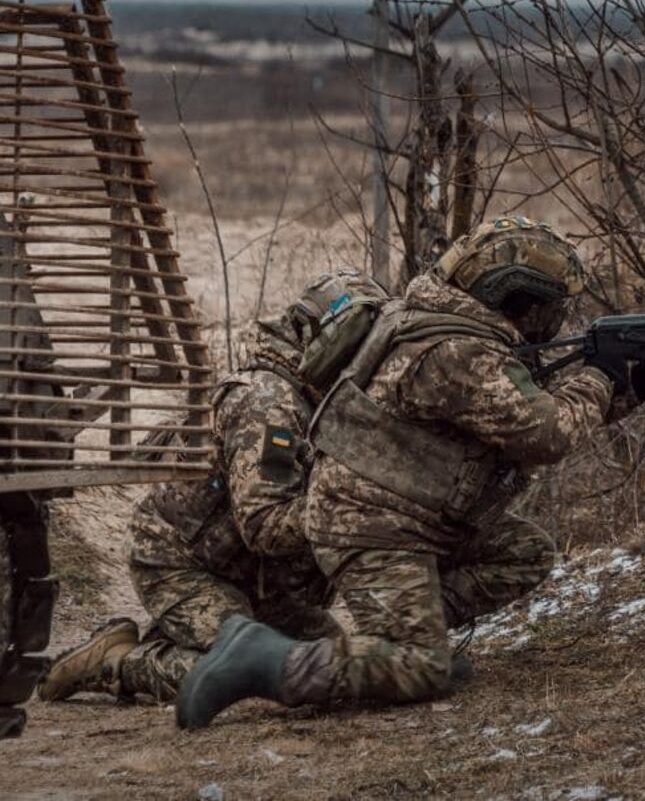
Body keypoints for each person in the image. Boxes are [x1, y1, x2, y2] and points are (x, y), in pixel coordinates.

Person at [176, 215, 645, 728]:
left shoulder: (461, 336)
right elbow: (545, 435)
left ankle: (397, 637)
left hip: (410, 518)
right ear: (520, 301)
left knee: (523, 553)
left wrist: (626, 391)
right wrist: (599, 377)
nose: (556, 317)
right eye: (553, 305)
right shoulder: (455, 352)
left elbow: (513, 431)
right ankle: (265, 660)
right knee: (421, 669)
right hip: (372, 525)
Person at [38, 271, 388, 704]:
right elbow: (265, 524)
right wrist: (353, 512)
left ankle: (170, 635)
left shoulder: (315, 400)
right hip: (180, 562)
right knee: (254, 669)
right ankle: (119, 663)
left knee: (328, 660)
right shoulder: (267, 404)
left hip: (252, 579)